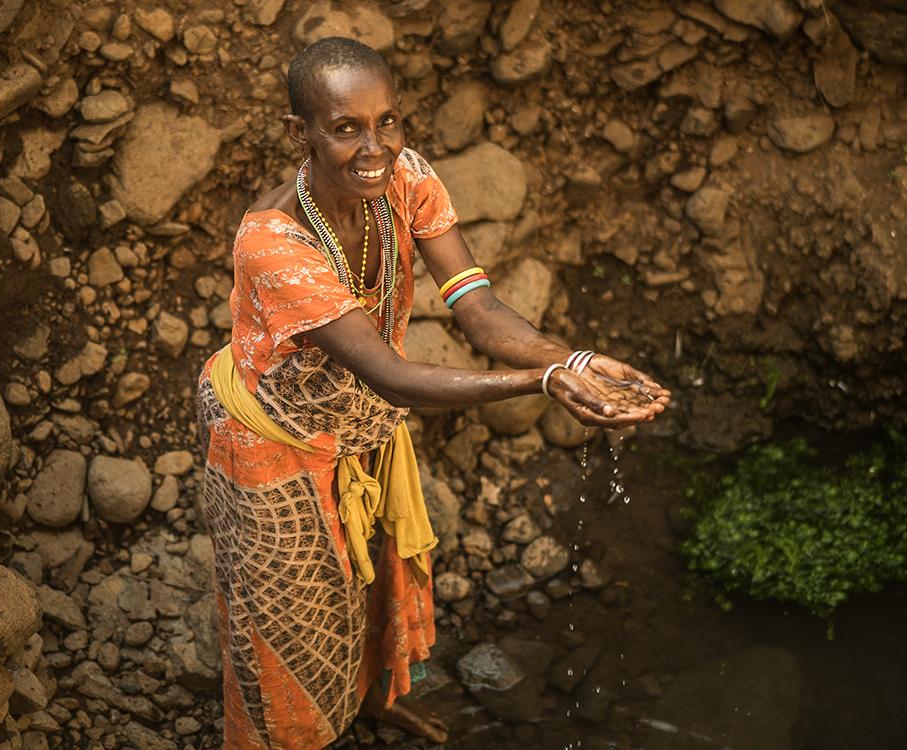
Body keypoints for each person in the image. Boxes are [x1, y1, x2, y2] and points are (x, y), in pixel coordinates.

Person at [195, 36, 671, 749]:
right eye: (346, 127)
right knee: (289, 630)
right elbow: (389, 374)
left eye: (387, 121)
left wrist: (573, 356)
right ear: (300, 133)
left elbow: (476, 306)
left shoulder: (406, 178)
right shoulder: (274, 241)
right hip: (272, 443)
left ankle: (366, 702)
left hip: (358, 424)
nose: (374, 146)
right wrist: (544, 379)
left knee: (365, 583)